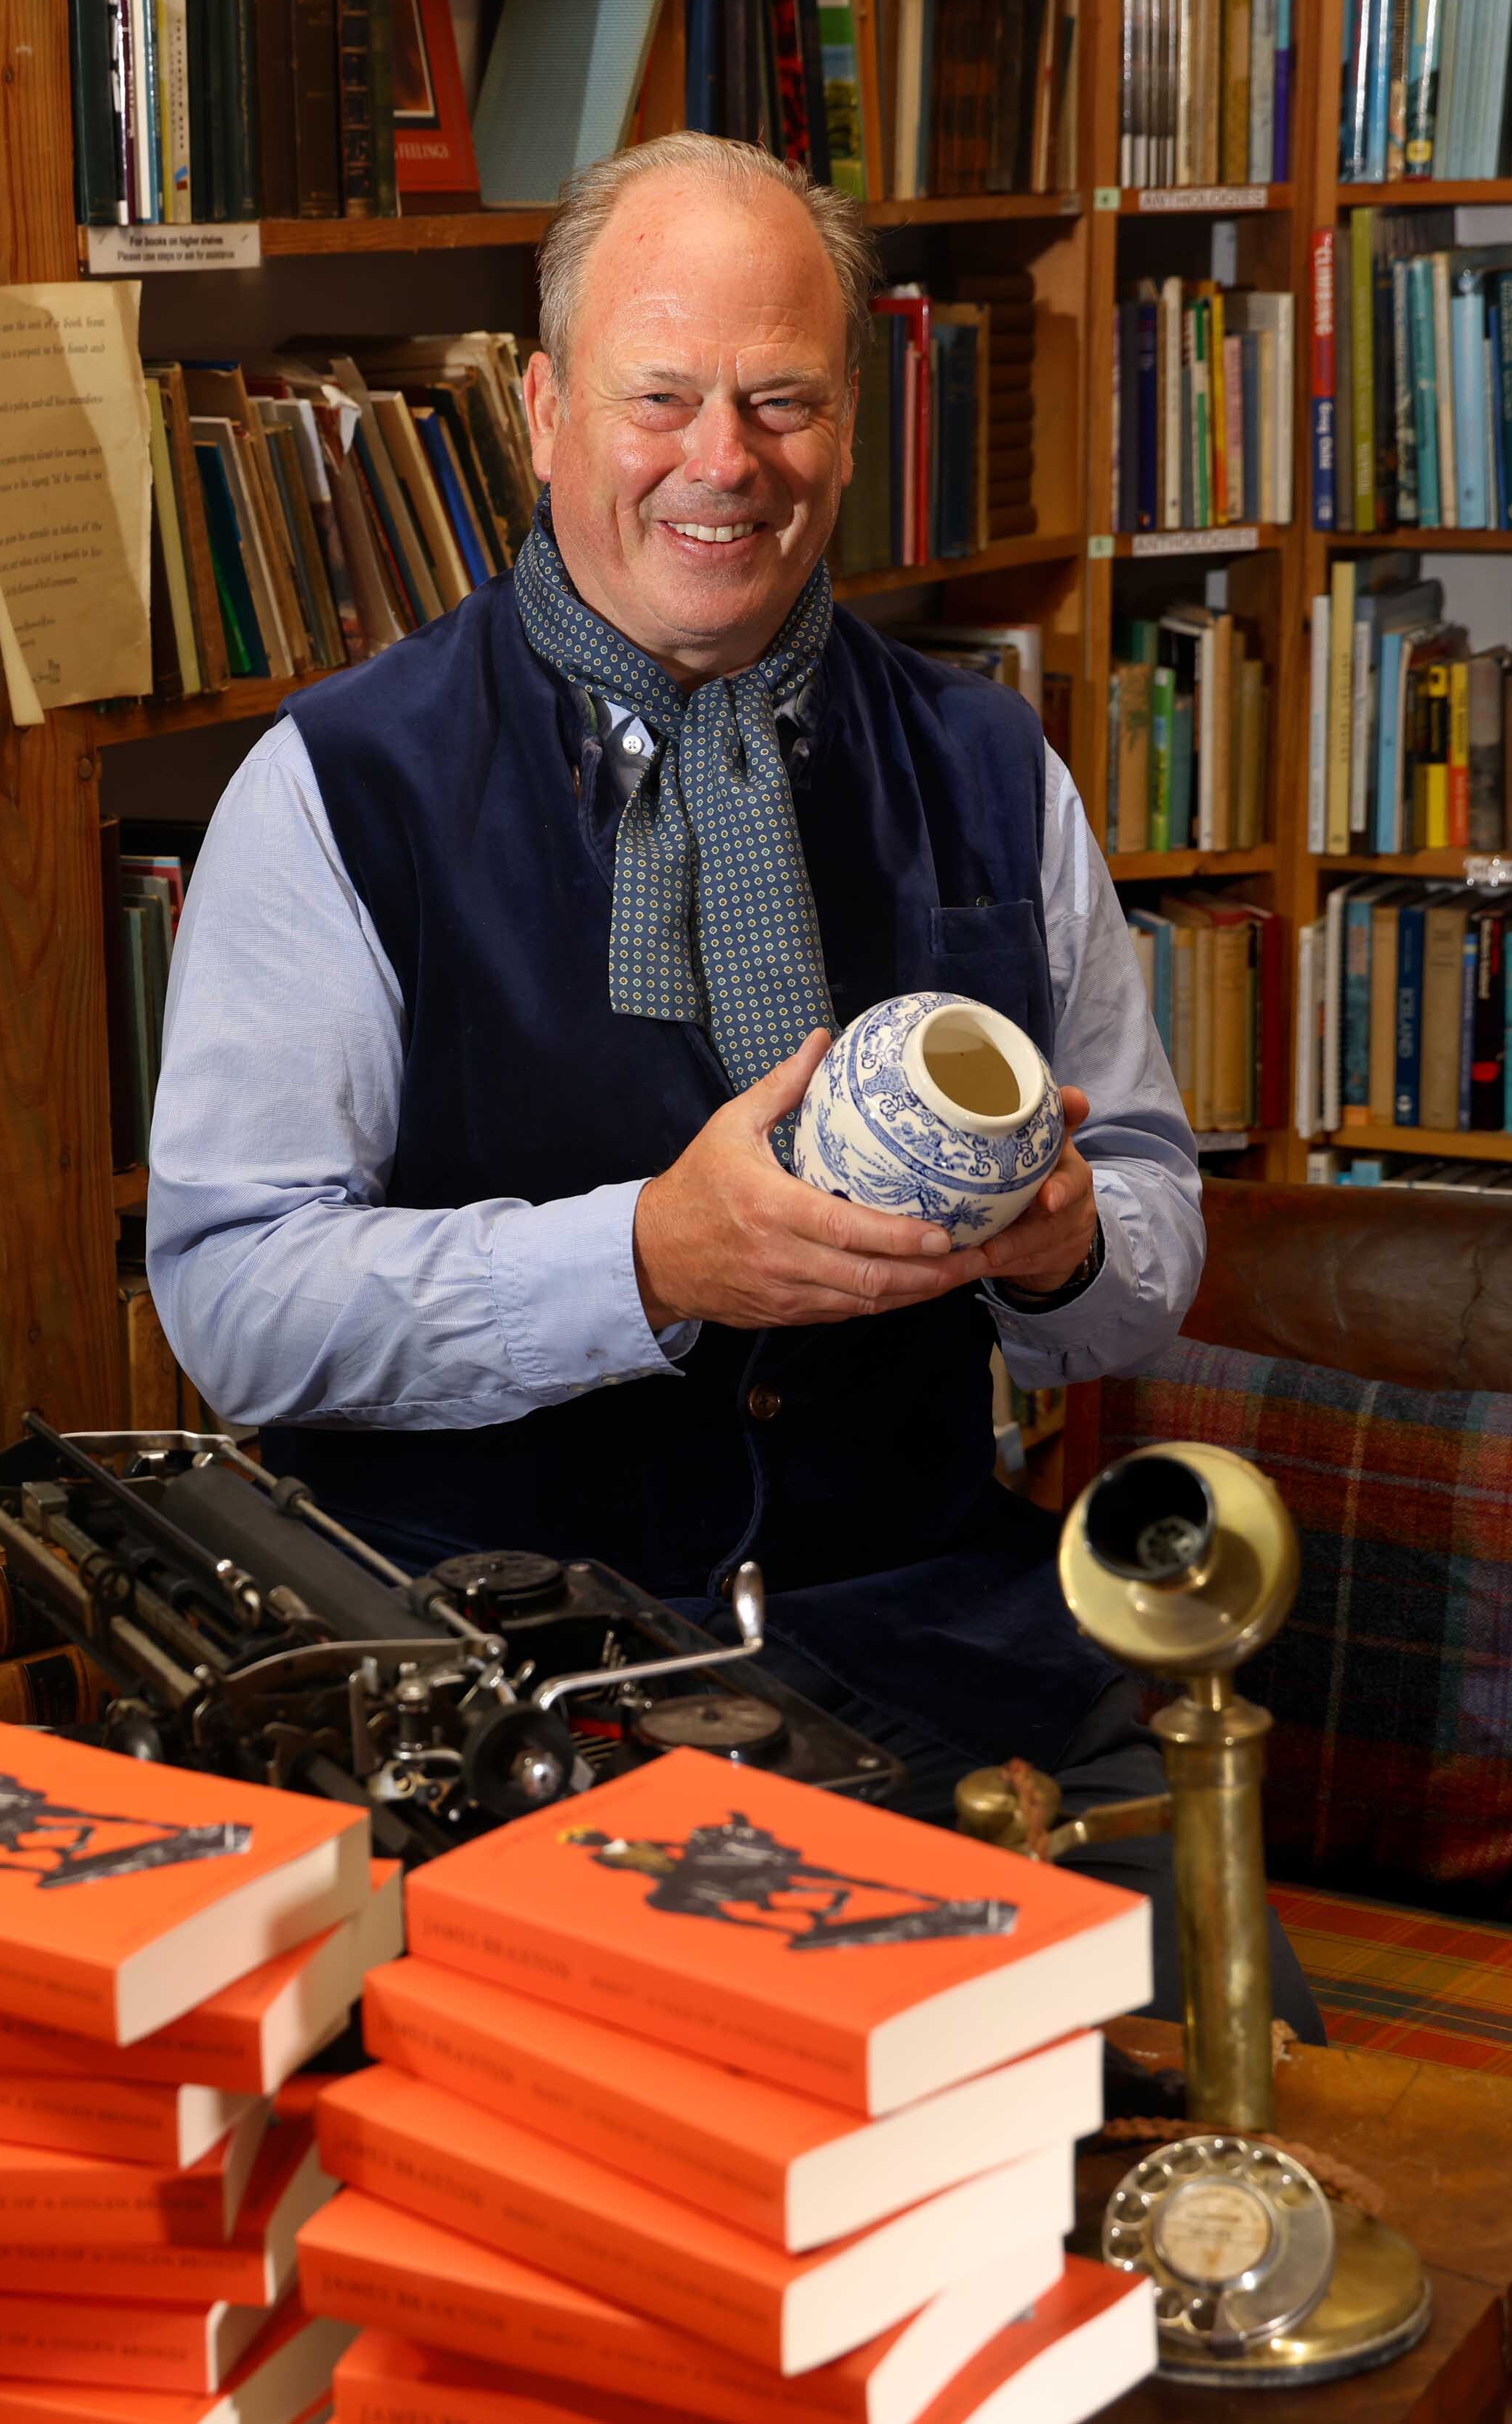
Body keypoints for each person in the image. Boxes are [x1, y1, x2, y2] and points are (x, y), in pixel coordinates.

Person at [142, 133, 1313, 2035]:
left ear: (849, 429)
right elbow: (236, 1313)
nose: (724, 461)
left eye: (781, 401)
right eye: (662, 398)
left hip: (949, 1663)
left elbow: (1155, 1243)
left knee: (1225, 2093)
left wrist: (1061, 1249)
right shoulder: (337, 794)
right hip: (508, 1707)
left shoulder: (992, 769)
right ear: (541, 412)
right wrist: (649, 1263)